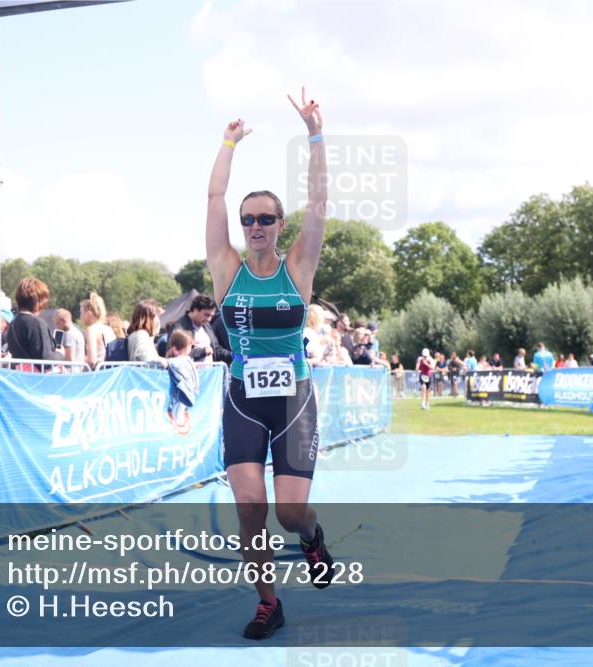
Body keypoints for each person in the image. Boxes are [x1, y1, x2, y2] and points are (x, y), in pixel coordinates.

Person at [205, 89, 331, 640]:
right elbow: (213, 196)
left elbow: (321, 202)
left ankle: (312, 537)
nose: (255, 226)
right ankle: (268, 602)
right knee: (251, 507)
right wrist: (228, 143)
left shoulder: (298, 268)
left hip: (293, 402)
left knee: (289, 513)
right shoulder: (225, 268)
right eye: (248, 219)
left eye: (265, 219)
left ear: (281, 225)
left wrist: (315, 135)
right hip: (242, 402)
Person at [4, 278, 62, 364]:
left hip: (19, 375)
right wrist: (59, 354)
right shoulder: (36, 324)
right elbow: (46, 361)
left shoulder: (13, 323)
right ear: (40, 300)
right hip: (36, 376)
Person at [173, 294, 229, 364]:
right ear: (195, 310)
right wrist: (202, 351)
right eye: (206, 315)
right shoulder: (179, 327)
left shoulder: (207, 326)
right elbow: (174, 353)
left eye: (211, 316)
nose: (209, 319)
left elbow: (216, 350)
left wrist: (233, 356)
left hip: (210, 372)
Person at [81, 291, 115, 369]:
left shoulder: (91, 329)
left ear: (89, 312)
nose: (81, 316)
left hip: (98, 374)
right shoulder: (108, 329)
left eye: (81, 312)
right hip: (110, 372)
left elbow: (92, 361)